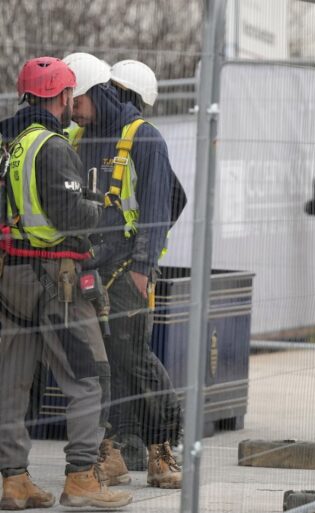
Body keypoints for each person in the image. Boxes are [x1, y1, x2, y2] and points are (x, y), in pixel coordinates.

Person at [0, 56, 131, 509]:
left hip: (10, 275)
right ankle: (81, 478)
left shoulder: (8, 141)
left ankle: (14, 482)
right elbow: (71, 214)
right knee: (89, 376)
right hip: (56, 278)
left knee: (12, 382)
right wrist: (104, 211)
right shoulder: (51, 146)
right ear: (63, 96)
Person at [63, 52, 183, 489]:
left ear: (96, 92)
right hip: (88, 268)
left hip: (127, 272)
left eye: (75, 99)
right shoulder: (78, 137)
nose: (70, 107)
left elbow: (160, 203)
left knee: (134, 358)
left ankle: (161, 449)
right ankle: (109, 451)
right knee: (100, 364)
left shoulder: (143, 138)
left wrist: (145, 265)